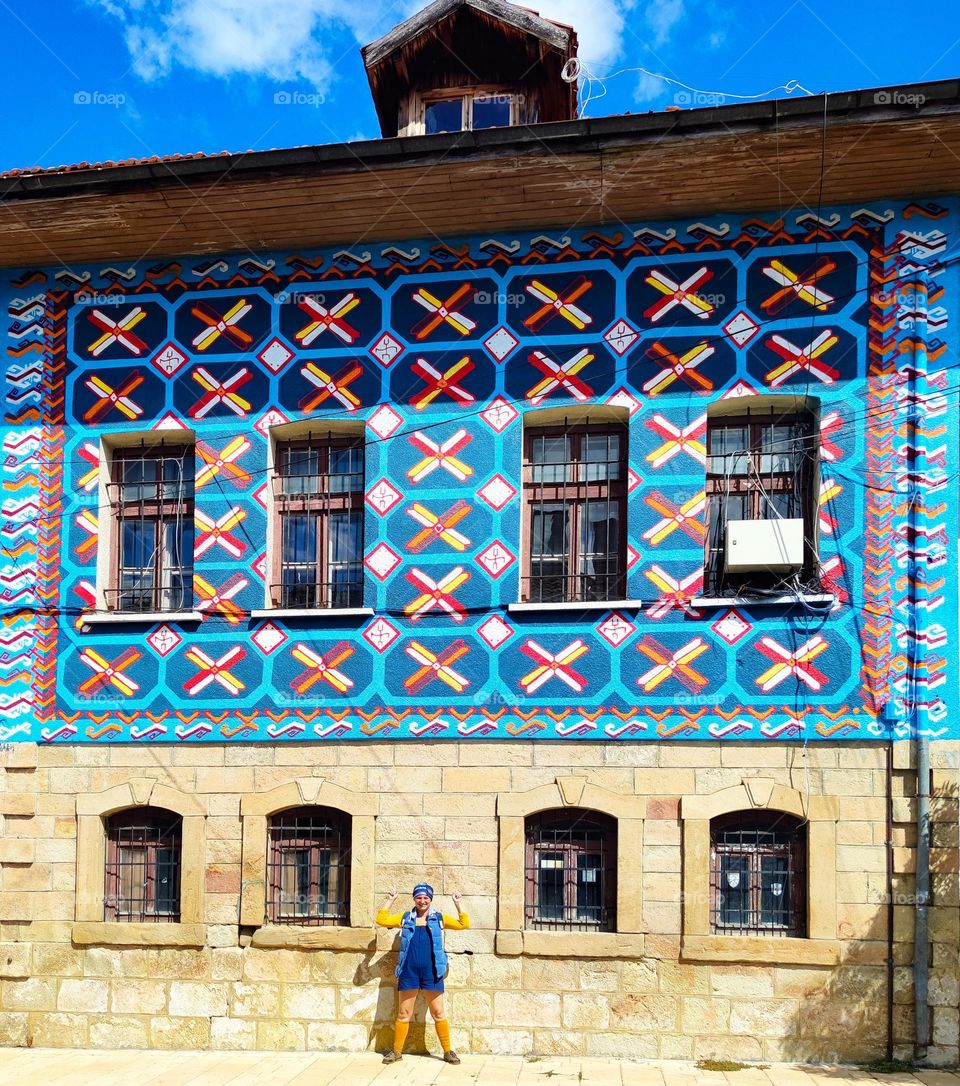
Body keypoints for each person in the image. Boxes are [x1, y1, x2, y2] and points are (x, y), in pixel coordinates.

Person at [375, 882, 469, 1065]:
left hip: (432, 972)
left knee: (438, 1012)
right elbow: (381, 920)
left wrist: (458, 903)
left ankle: (448, 1051)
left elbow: (463, 924)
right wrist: (390, 900)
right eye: (419, 897)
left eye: (426, 897)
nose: (422, 901)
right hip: (408, 972)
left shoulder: (438, 918)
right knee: (403, 1013)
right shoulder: (406, 918)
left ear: (430, 899)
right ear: (414, 899)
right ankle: (396, 1052)